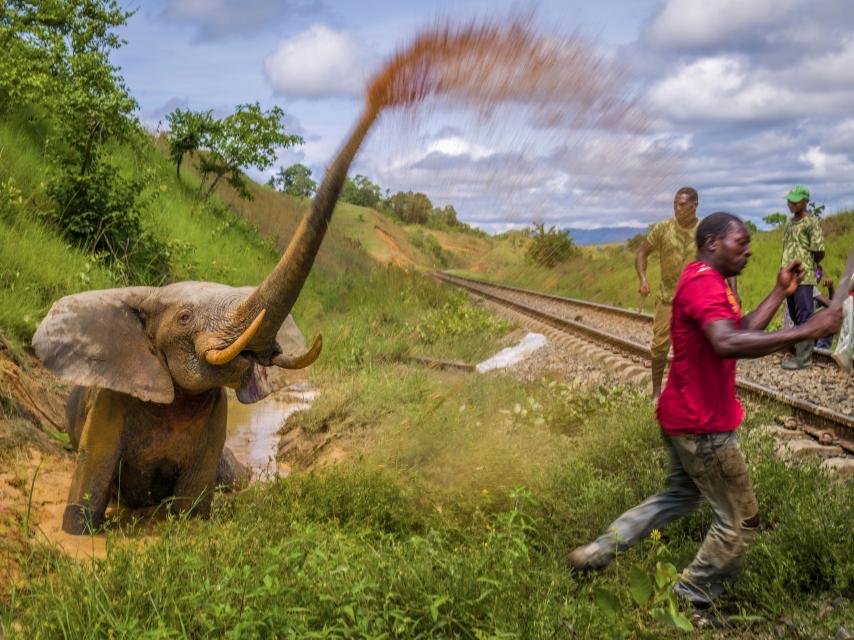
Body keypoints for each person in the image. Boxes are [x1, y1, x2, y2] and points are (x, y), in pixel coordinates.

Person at [569, 212, 842, 609]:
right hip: (703, 427)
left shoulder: (710, 282)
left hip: (683, 416)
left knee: (677, 497)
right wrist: (808, 330)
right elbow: (726, 343)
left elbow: (740, 329)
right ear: (713, 243)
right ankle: (691, 596)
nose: (748, 251)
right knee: (740, 520)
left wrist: (781, 292)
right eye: (741, 243)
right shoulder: (702, 283)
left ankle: (598, 549)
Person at [635, 187, 700, 400]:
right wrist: (643, 278)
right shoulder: (663, 228)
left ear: (694, 206)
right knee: (660, 346)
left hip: (694, 300)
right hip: (667, 299)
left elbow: (722, 258)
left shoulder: (704, 230)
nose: (677, 208)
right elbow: (642, 253)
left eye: (682, 205)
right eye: (675, 204)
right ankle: (656, 393)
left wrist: (731, 290)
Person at [780, 185, 825, 369]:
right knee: (794, 314)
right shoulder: (789, 223)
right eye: (790, 200)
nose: (791, 203)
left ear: (806, 201)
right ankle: (800, 353)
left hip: (803, 277)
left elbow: (819, 250)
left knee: (805, 315)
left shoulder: (811, 222)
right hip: (788, 276)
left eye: (796, 200)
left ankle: (805, 359)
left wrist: (809, 265)